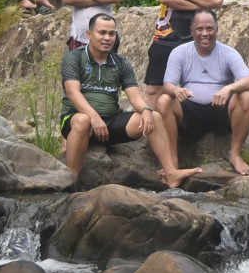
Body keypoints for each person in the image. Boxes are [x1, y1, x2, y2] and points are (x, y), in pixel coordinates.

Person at [60, 12, 200, 188]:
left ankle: (171, 173)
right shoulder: (74, 57)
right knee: (83, 120)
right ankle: (71, 179)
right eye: (102, 33)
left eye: (111, 34)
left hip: (110, 123)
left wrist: (147, 110)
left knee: (154, 117)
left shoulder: (121, 62)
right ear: (89, 34)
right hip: (78, 121)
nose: (107, 38)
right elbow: (73, 92)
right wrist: (94, 117)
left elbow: (134, 96)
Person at [157, 8, 249, 175]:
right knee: (164, 100)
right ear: (192, 30)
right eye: (200, 29)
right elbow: (167, 84)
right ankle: (172, 159)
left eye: (209, 29)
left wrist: (228, 88)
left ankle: (235, 154)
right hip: (189, 110)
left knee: (246, 97)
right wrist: (177, 90)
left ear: (217, 30)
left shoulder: (228, 53)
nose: (205, 34)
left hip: (220, 109)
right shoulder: (179, 52)